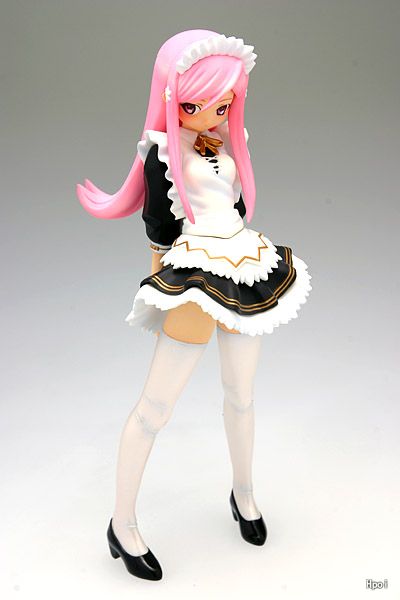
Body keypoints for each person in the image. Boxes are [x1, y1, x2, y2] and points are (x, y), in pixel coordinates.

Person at [76, 29, 312, 581]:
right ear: (172, 97)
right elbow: (159, 229)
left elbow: (235, 205)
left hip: (243, 265)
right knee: (155, 408)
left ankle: (244, 494)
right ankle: (122, 523)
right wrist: (164, 288)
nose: (213, 114)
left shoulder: (225, 141)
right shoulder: (162, 153)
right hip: (193, 275)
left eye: (224, 104)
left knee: (242, 395)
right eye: (199, 104)